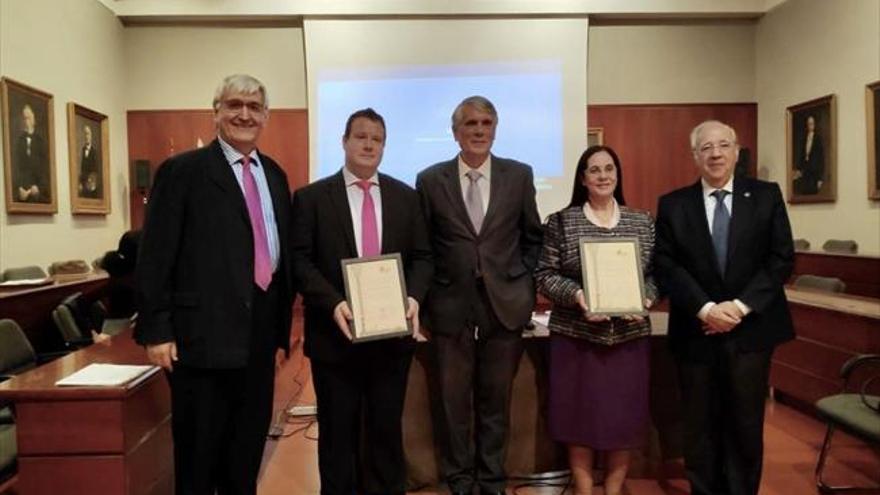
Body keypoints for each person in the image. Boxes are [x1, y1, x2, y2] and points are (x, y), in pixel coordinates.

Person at [135, 74, 294, 495]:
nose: (244, 114)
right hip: (200, 342)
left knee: (245, 457)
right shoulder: (182, 172)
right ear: (216, 111)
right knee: (199, 460)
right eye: (234, 104)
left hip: (258, 344)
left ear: (266, 116)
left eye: (254, 107)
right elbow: (155, 255)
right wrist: (156, 329)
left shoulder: (275, 176)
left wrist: (280, 335)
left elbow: (279, 258)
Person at [290, 108, 433, 495]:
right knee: (337, 434)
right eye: (361, 136)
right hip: (335, 338)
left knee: (386, 432)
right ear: (344, 141)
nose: (369, 144)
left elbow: (423, 257)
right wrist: (333, 301)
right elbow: (299, 261)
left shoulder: (406, 197)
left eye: (377, 139)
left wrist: (414, 295)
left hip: (391, 339)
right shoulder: (312, 198)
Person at [655, 120, 794, 495]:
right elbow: (666, 265)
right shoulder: (673, 204)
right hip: (695, 330)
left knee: (745, 424)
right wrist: (705, 309)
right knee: (699, 425)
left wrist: (737, 307)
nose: (715, 154)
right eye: (706, 148)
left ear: (736, 151)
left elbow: (781, 259)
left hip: (750, 331)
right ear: (694, 156)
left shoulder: (766, 196)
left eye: (722, 146)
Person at [416, 95, 543, 495]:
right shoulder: (429, 179)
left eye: (486, 123)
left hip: (503, 306)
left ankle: (491, 480)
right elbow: (423, 246)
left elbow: (533, 238)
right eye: (470, 124)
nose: (478, 131)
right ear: (455, 132)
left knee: (495, 401)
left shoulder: (518, 175)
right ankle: (458, 480)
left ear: (495, 129)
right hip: (449, 305)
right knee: (454, 404)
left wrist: (522, 285)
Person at [535, 145, 657, 495]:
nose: (603, 176)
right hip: (577, 336)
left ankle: (614, 487)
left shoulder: (642, 221)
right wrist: (577, 297)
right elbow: (544, 275)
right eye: (594, 170)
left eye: (609, 169)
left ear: (617, 174)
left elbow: (656, 274)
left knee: (624, 416)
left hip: (629, 336)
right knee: (579, 415)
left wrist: (645, 297)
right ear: (583, 178)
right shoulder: (561, 221)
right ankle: (585, 487)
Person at [13, 104, 50, 203]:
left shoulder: (41, 141)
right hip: (23, 192)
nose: (26, 121)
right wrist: (19, 188)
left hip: (39, 192)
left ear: (34, 119)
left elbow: (46, 168)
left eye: (29, 118)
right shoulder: (19, 141)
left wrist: (39, 187)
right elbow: (16, 168)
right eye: (24, 118)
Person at [793, 115, 824, 195]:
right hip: (805, 172)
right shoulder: (804, 139)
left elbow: (821, 159)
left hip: (814, 173)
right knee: (804, 193)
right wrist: (797, 170)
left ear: (814, 125)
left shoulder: (818, 139)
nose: (810, 126)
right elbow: (801, 156)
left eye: (812, 124)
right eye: (808, 124)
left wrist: (820, 179)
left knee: (813, 194)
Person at [78, 124, 101, 198]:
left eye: (88, 134)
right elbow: (82, 169)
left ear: (91, 136)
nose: (86, 136)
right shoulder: (83, 149)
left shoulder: (94, 151)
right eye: (85, 134)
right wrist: (80, 183)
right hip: (84, 184)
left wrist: (90, 183)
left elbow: (96, 171)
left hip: (92, 185)